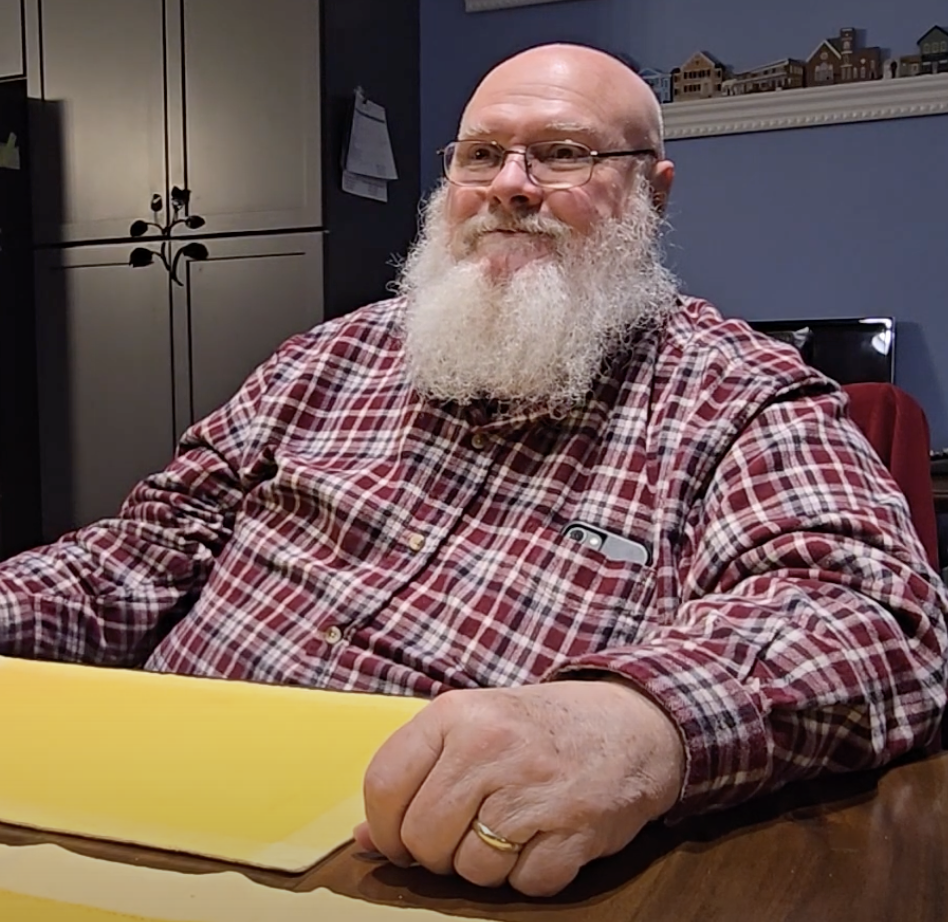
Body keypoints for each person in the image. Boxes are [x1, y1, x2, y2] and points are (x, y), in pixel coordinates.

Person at [1, 43, 946, 897]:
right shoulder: (322, 361)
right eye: (480, 156)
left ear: (653, 194)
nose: (511, 185)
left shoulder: (738, 397)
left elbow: (871, 616)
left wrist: (631, 720)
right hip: (133, 800)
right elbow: (135, 558)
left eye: (564, 153)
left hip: (438, 865)